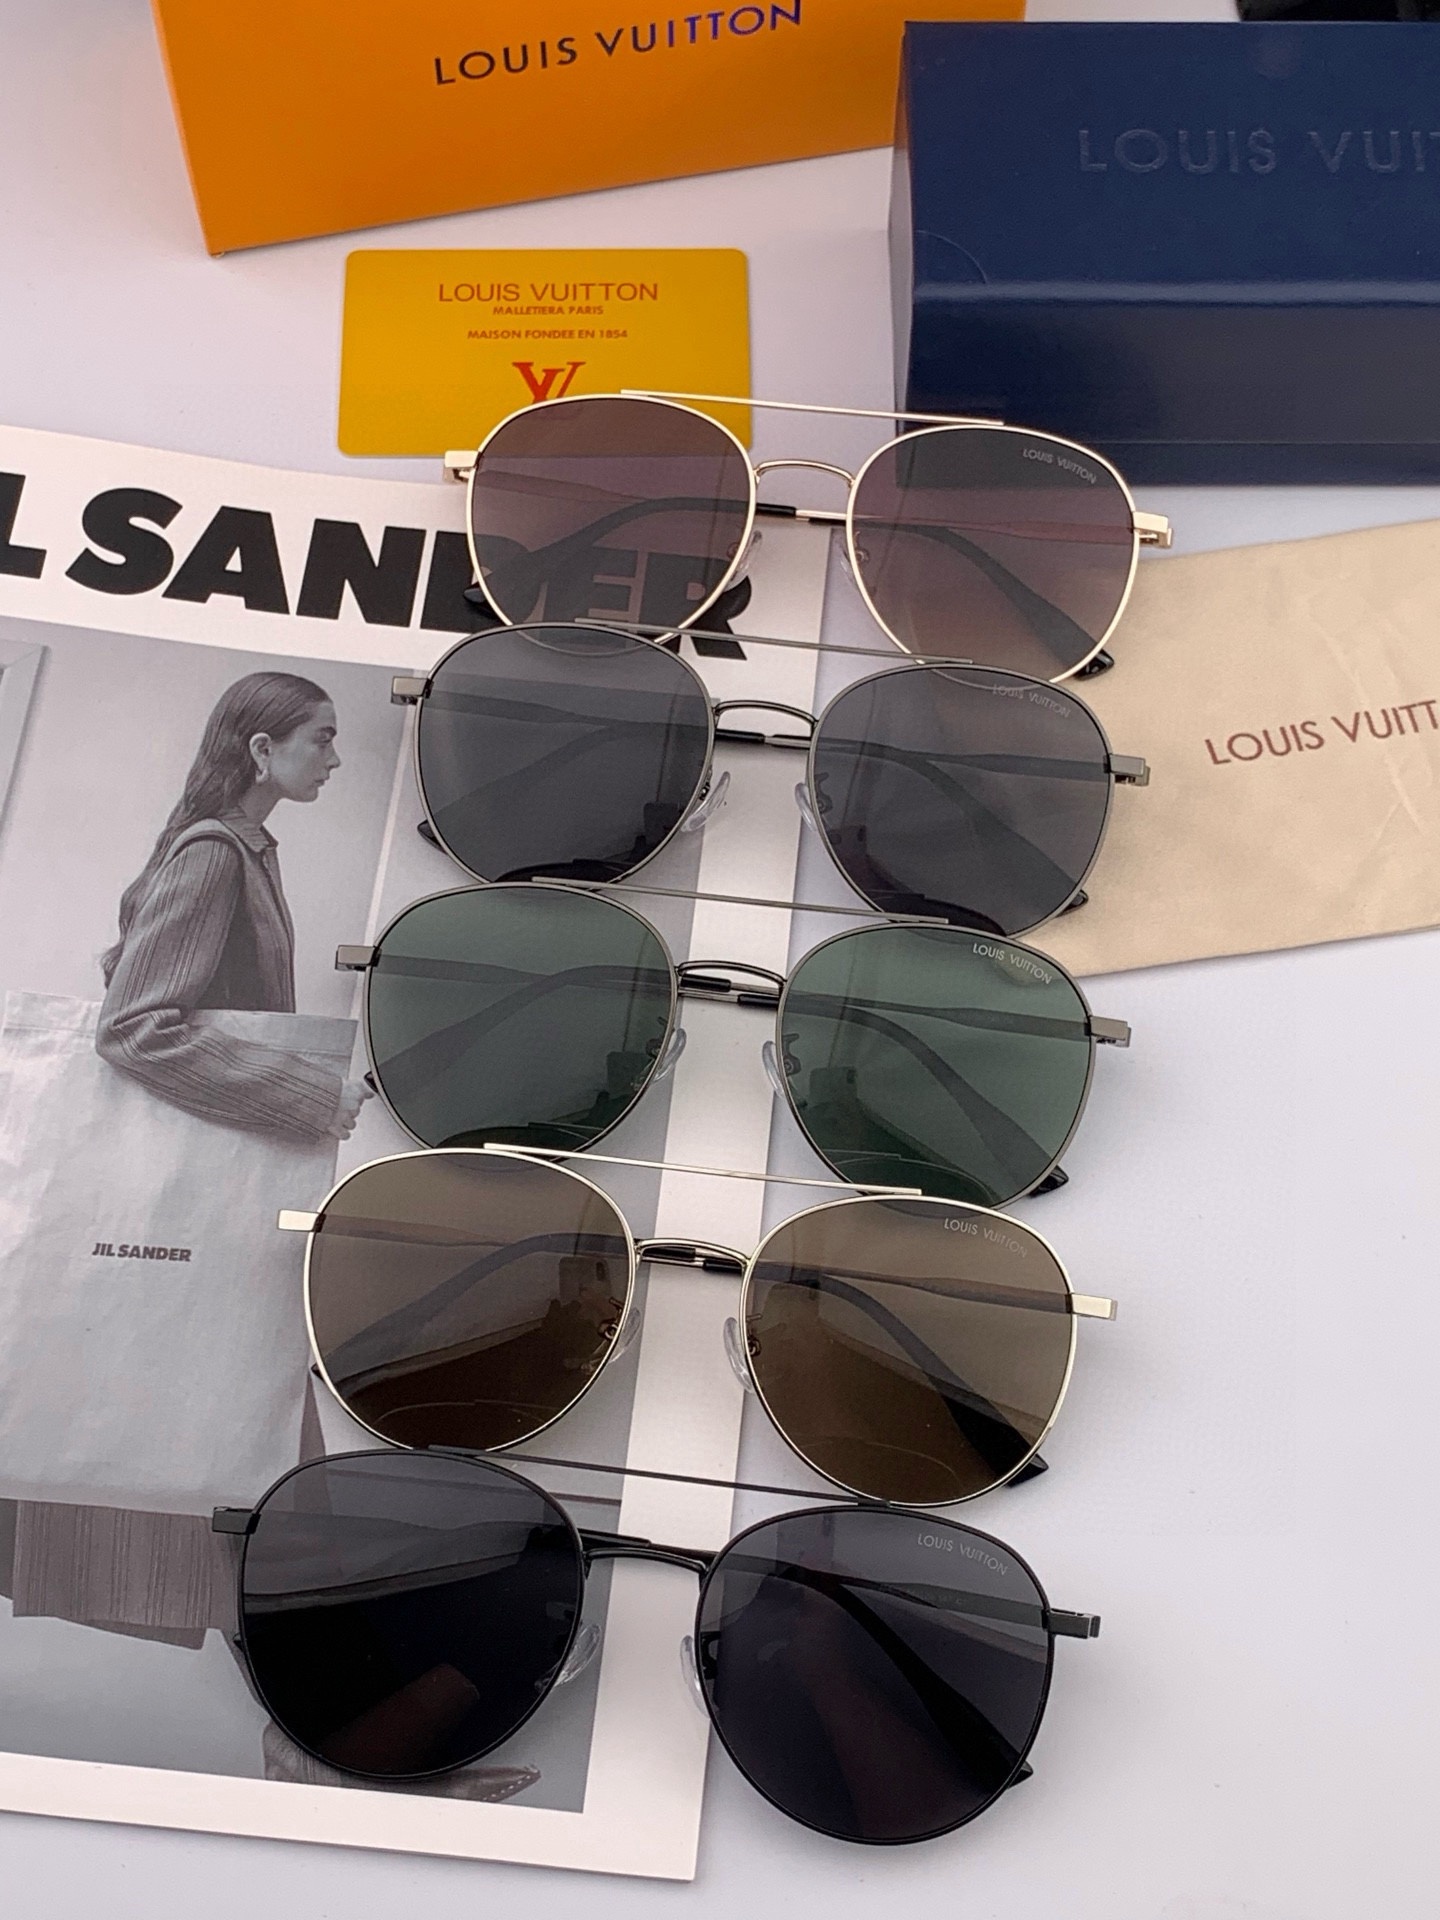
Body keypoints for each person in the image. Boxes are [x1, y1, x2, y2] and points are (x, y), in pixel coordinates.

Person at [96, 670, 369, 1138]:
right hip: (197, 1145)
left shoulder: (246, 850)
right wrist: (312, 1096)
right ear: (263, 749)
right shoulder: (215, 851)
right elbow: (130, 1028)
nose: (335, 759)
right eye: (322, 741)